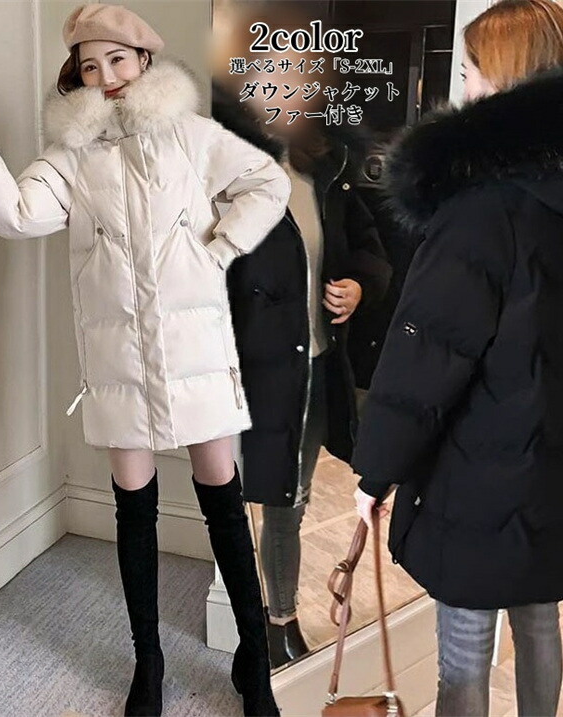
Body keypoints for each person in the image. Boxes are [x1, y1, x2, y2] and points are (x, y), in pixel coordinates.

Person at [0, 4, 290, 716]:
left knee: (223, 503)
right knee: (134, 509)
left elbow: (269, 184)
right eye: (89, 66)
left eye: (116, 59)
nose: (104, 75)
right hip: (118, 361)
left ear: (143, 61)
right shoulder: (71, 157)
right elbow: (16, 214)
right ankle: (149, 661)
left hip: (195, 352)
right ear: (76, 76)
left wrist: (220, 249)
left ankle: (254, 661)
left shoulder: (192, 137)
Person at [352, 1, 563, 715]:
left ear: (506, 78)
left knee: (465, 637)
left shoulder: (481, 206)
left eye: (470, 71)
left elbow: (426, 356)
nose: (464, 88)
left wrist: (376, 470)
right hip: (561, 459)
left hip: (481, 464)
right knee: (539, 615)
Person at [211, 81, 391, 668]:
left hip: (316, 366)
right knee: (247, 495)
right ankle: (265, 621)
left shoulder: (327, 171)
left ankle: (278, 620)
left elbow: (370, 249)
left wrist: (358, 285)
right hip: (250, 369)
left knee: (291, 497)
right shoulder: (226, 170)